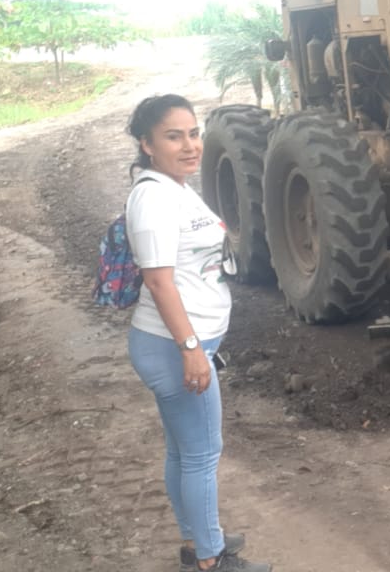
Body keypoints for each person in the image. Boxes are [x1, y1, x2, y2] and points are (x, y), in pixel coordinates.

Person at [124, 95, 271, 572]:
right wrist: (191, 350)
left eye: (193, 133)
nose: (189, 145)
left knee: (183, 451)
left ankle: (197, 539)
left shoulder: (175, 186)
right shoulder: (153, 198)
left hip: (180, 343)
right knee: (203, 455)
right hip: (174, 347)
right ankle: (211, 559)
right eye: (173, 136)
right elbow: (158, 282)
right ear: (147, 144)